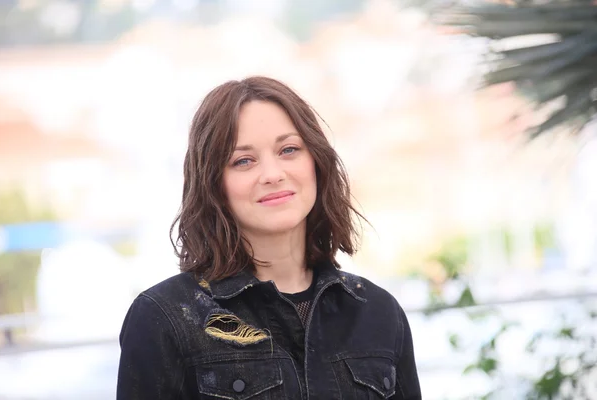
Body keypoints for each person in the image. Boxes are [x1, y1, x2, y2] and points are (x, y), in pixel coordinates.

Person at [116, 76, 421, 400]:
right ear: (213, 183)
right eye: (243, 160)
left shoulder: (377, 311)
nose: (273, 174)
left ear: (316, 162)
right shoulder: (164, 318)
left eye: (288, 149)